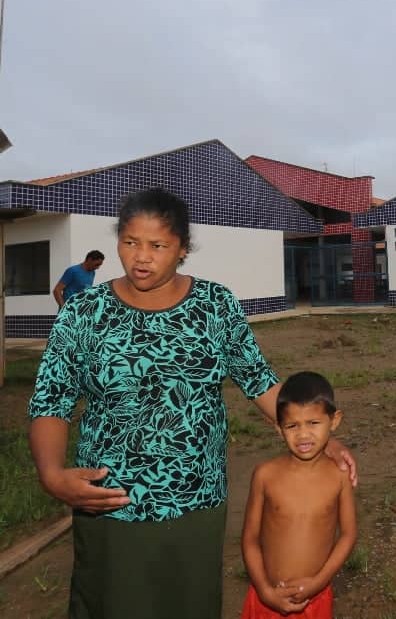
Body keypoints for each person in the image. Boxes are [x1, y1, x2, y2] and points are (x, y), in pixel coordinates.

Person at [28, 187, 357, 619]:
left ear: (182, 248)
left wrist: (318, 434)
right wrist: (52, 474)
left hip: (196, 499)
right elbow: (51, 400)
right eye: (130, 242)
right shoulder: (83, 312)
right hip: (111, 502)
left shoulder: (215, 305)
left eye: (157, 246)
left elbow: (259, 382)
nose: (141, 257)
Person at [241, 371, 357, 618]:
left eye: (313, 423)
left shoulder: (339, 476)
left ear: (334, 421)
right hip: (266, 600)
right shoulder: (265, 475)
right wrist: (264, 590)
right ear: (279, 428)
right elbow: (250, 538)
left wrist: (319, 582)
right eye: (292, 425)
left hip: (315, 600)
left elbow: (348, 535)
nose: (303, 434)